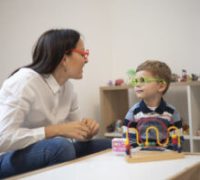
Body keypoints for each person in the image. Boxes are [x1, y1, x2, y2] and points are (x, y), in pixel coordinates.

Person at [0, 29, 111, 178]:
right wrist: (55, 130)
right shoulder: (24, 82)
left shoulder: (68, 88)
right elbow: (3, 139)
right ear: (64, 58)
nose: (86, 60)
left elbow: (75, 133)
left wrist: (87, 130)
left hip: (52, 149)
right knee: (61, 147)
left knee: (109, 145)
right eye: (83, 54)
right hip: (8, 157)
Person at [123, 60, 182, 149]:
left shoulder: (172, 113)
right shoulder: (133, 113)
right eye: (135, 81)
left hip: (165, 159)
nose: (137, 85)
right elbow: (129, 141)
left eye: (142, 80)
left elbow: (176, 140)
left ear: (161, 86)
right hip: (140, 158)